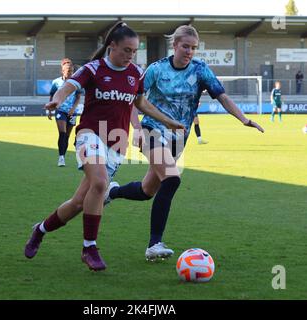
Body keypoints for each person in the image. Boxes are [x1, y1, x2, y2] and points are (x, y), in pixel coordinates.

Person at [24, 22, 185, 271]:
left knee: (79, 202)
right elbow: (69, 86)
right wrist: (56, 100)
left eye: (134, 51)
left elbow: (141, 103)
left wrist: (168, 121)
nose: (130, 55)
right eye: (126, 50)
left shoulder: (135, 73)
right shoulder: (93, 69)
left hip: (117, 142)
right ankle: (89, 248)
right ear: (112, 46)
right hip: (90, 134)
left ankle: (40, 229)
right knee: (100, 183)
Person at [104, 25, 264, 261]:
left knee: (148, 191)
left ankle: (113, 191)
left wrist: (244, 119)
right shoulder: (157, 69)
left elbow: (222, 96)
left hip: (179, 138)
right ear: (175, 45)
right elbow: (132, 100)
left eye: (194, 48)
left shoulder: (200, 70)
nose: (189, 51)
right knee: (172, 178)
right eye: (186, 46)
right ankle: (154, 244)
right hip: (153, 131)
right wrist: (136, 129)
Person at [48, 58, 82, 167]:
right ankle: (61, 157)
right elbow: (52, 95)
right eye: (68, 71)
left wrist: (73, 109)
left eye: (72, 71)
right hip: (60, 110)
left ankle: (63, 155)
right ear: (63, 71)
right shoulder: (56, 82)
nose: (70, 73)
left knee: (67, 136)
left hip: (72, 112)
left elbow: (78, 97)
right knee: (62, 133)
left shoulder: (76, 82)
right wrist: (50, 109)